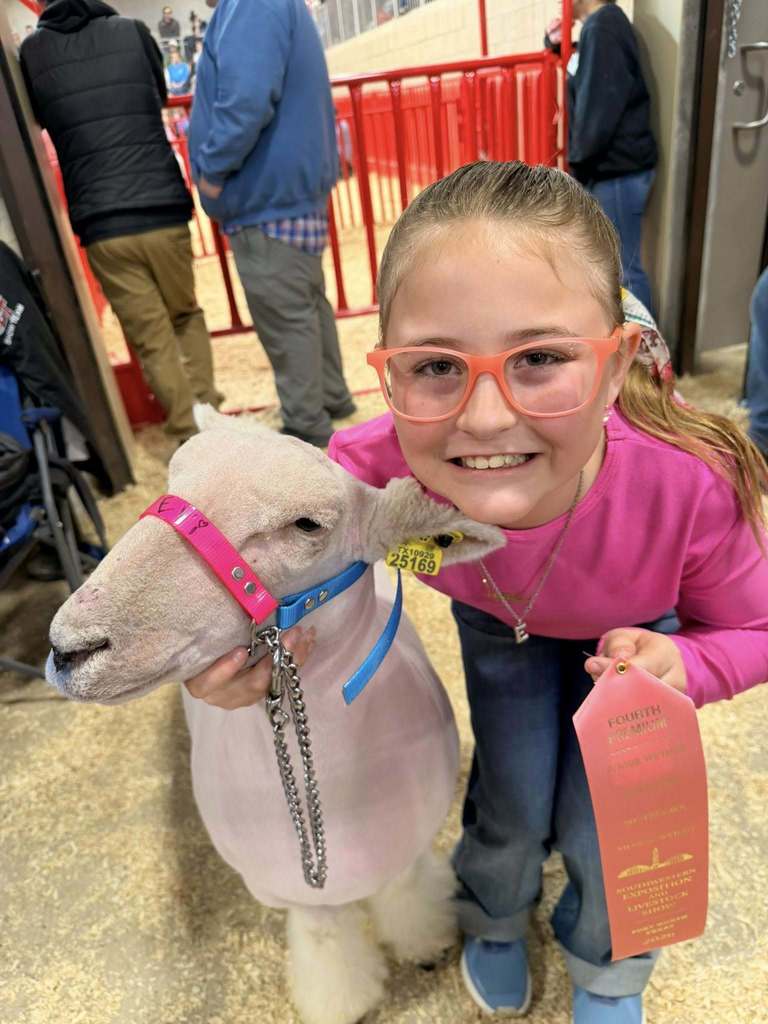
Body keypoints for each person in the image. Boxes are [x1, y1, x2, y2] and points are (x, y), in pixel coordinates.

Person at [182, 161, 768, 1023]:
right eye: (434, 366)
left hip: (643, 638)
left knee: (617, 818)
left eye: (540, 358)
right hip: (500, 623)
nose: (486, 417)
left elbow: (755, 628)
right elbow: (265, 551)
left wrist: (686, 660)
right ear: (387, 377)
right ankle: (495, 910)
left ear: (616, 368)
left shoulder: (690, 483)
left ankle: (608, 968)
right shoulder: (371, 468)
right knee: (512, 791)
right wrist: (223, 652)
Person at [21, 0, 222, 444]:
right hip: (162, 207)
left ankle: (189, 432)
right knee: (185, 314)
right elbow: (160, 94)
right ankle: (210, 413)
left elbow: (38, 116)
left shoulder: (33, 52)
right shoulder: (132, 31)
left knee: (151, 337)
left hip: (101, 222)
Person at [188, 0, 355, 448]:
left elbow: (245, 99)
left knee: (286, 315)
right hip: (285, 194)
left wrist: (210, 171)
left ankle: (307, 428)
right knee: (305, 305)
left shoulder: (250, 6)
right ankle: (332, 400)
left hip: (264, 196)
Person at [546, 0, 657, 314]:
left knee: (625, 271)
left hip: (617, 170)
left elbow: (599, 110)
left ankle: (644, 356)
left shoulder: (604, 26)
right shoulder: (600, 28)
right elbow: (587, 77)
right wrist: (557, 44)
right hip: (614, 169)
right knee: (620, 267)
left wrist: (577, 168)